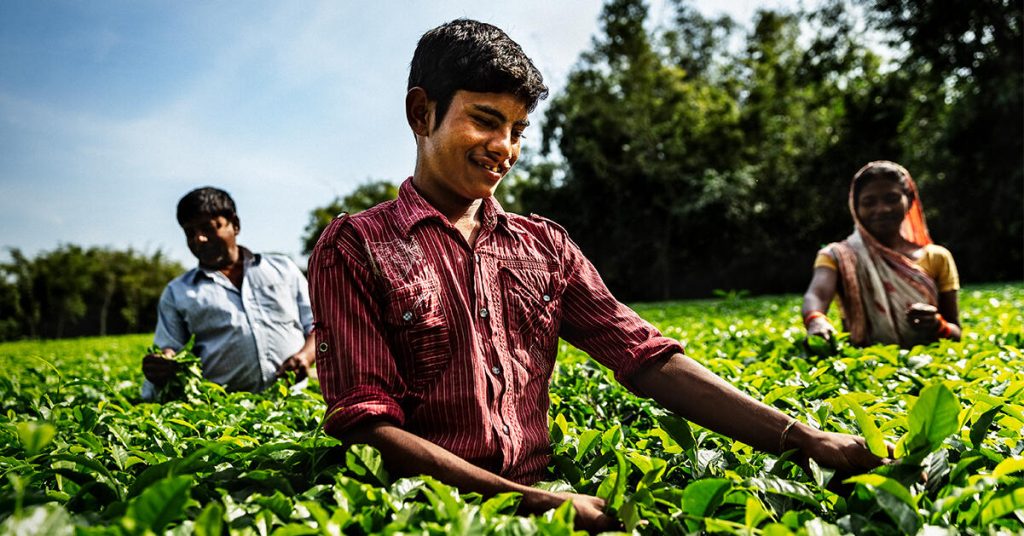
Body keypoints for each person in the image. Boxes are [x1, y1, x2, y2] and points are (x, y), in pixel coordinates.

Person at [307, 19, 887, 532]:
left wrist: (801, 437)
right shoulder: (355, 246)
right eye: (485, 120)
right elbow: (365, 426)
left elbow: (646, 356)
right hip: (420, 517)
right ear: (421, 112)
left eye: (517, 130)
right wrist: (528, 505)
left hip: (546, 497)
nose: (504, 148)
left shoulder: (544, 247)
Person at [141, 187, 316, 400]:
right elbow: (170, 347)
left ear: (235, 225)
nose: (199, 239)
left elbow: (319, 326)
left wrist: (305, 357)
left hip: (295, 402)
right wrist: (163, 362)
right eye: (190, 233)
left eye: (208, 228)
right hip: (222, 413)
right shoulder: (178, 292)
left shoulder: (283, 269)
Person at [802, 161, 961, 348]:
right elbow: (817, 294)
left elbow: (956, 333)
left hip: (930, 366)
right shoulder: (837, 256)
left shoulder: (937, 257)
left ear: (909, 200)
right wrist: (816, 320)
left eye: (892, 199)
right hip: (863, 367)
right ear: (856, 207)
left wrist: (937, 325)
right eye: (869, 202)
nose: (882, 209)